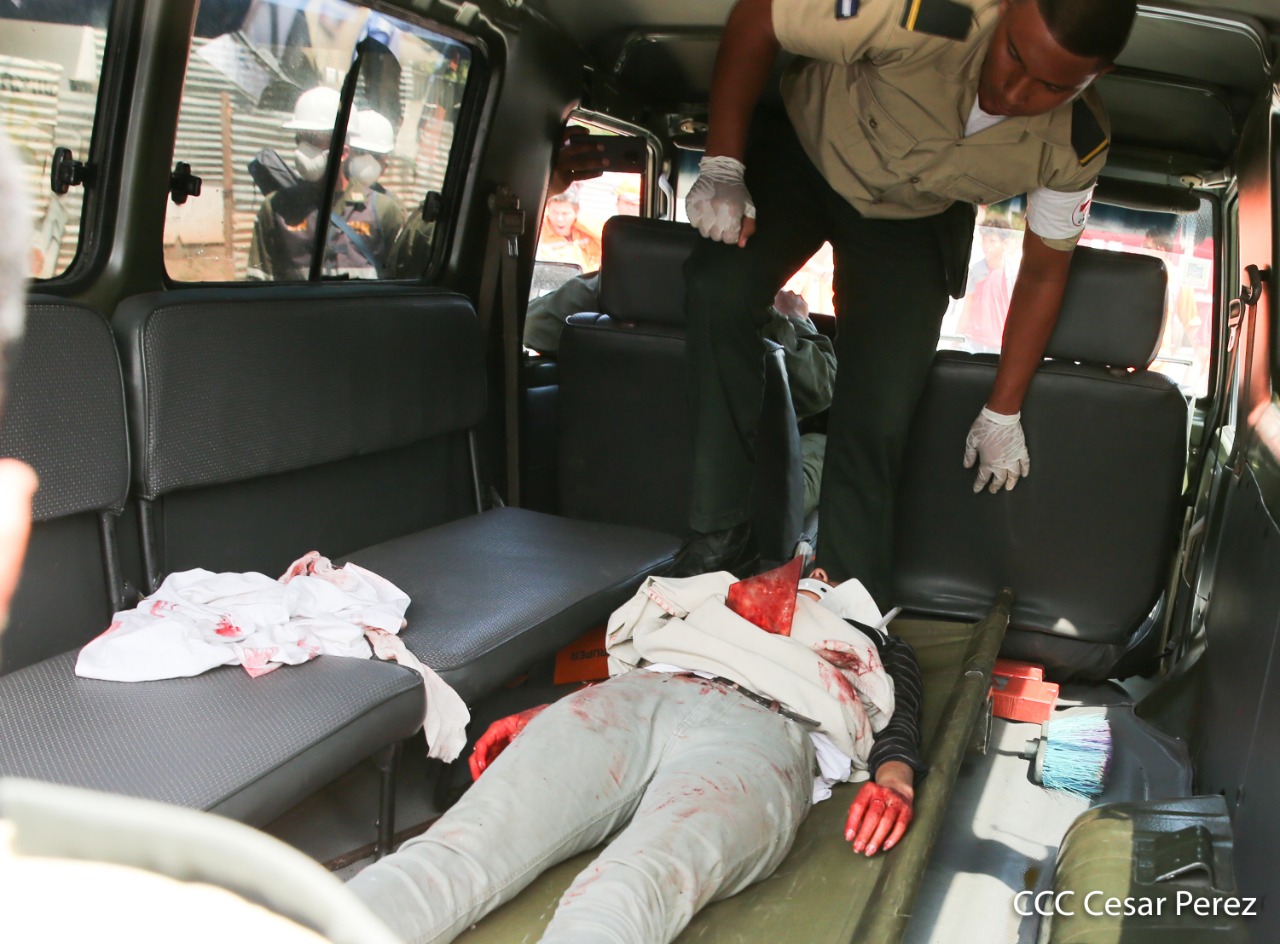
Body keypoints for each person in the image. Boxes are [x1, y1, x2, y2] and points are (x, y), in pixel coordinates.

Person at [673, 0, 1136, 604]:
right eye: (1013, 56)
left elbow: (1044, 273)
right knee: (718, 285)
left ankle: (846, 601)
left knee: (881, 404)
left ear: (1095, 78)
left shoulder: (1076, 144)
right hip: (805, 154)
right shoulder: (919, 12)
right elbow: (758, 17)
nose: (1014, 91)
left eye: (1051, 86)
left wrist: (1003, 409)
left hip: (914, 220)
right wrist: (723, 163)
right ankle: (719, 535)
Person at [346, 561, 924, 944]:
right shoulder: (716, 596)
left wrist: (895, 779)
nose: (817, 581)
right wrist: (556, 710)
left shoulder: (873, 644)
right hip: (640, 695)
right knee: (462, 846)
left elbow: (901, 721)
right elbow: (637, 661)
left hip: (766, 729)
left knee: (634, 885)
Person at [247, 88, 405, 281]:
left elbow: (403, 285)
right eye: (300, 139)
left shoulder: (383, 211)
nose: (303, 149)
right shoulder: (275, 209)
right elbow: (257, 284)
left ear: (344, 152)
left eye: (315, 140)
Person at [536, 182, 603, 273]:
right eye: (555, 212)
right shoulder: (539, 233)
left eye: (565, 214)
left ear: (576, 212)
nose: (559, 219)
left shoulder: (587, 229)